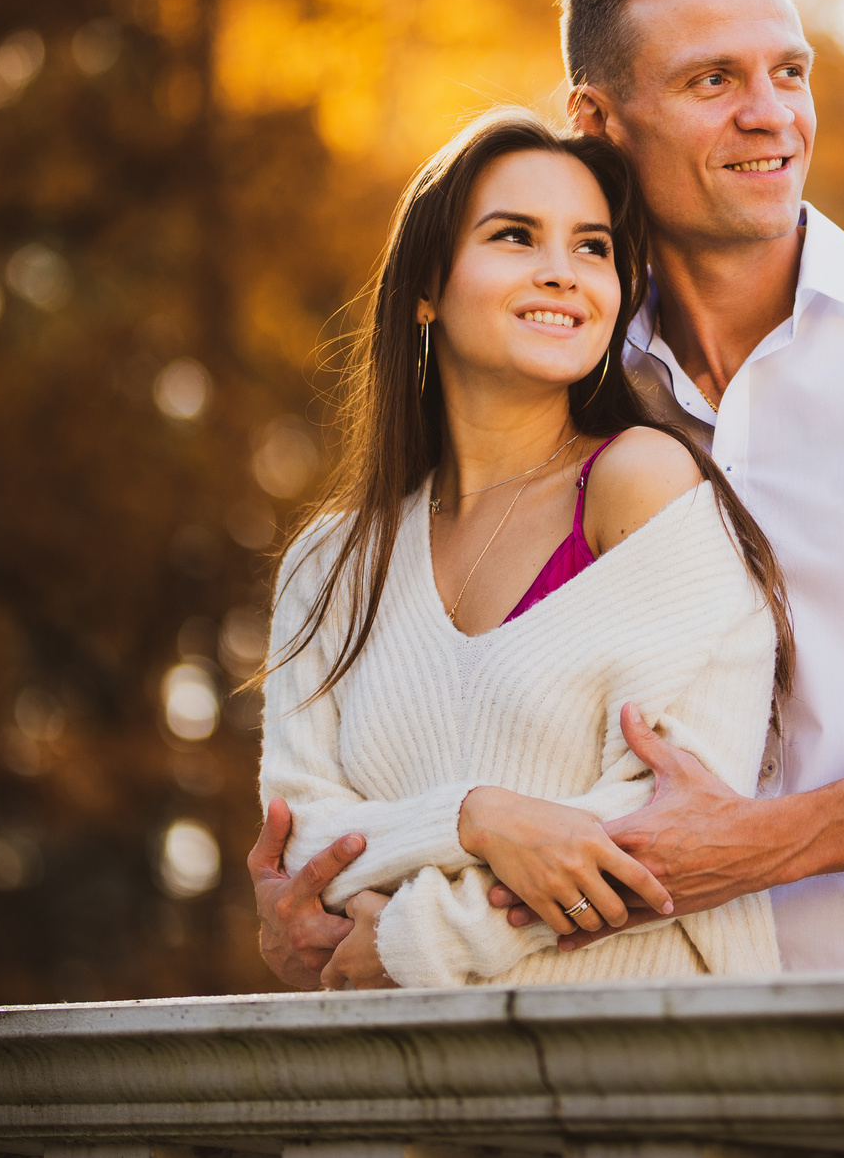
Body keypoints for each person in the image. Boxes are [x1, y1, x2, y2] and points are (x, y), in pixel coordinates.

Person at [252, 0, 844, 980]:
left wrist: (764, 843)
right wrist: (335, 894)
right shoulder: (559, 380)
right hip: (632, 1016)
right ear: (596, 120)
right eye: (713, 79)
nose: (772, 114)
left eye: (789, 71)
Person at [249, 110, 795, 989]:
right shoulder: (331, 564)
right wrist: (477, 818)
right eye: (514, 236)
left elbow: (668, 825)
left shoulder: (640, 485)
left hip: (646, 1050)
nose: (562, 272)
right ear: (427, 286)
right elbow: (302, 840)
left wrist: (416, 942)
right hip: (406, 1071)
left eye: (592, 247)